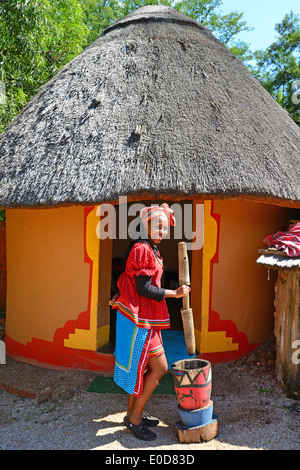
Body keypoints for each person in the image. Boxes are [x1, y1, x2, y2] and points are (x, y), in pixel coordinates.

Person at [109, 203, 191, 441]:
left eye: (165, 228)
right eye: (157, 226)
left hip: (146, 317)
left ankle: (132, 414)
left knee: (143, 368)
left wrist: (120, 292)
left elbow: (126, 278)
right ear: (145, 225)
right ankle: (134, 419)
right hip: (140, 319)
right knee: (160, 368)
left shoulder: (150, 249)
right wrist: (174, 294)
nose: (162, 231)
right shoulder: (143, 249)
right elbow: (144, 288)